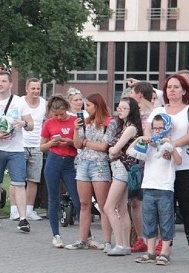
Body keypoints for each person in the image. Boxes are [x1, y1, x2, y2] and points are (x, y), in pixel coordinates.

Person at [150, 73, 189, 265]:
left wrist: (170, 145)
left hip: (187, 166)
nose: (172, 90)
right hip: (164, 167)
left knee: (188, 209)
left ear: (184, 90)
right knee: (166, 210)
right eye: (169, 87)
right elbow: (151, 134)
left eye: (176, 87)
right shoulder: (160, 110)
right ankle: (165, 250)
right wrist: (160, 147)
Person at [0, 69, 35, 233]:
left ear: (10, 84)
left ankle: (23, 219)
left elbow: (31, 125)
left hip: (16, 149)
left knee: (19, 183)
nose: (0, 84)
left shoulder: (19, 102)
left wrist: (22, 124)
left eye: (4, 81)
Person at [64, 93, 113, 250]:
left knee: (103, 204)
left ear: (97, 106)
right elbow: (77, 145)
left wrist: (86, 142)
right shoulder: (85, 122)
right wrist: (76, 130)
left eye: (89, 105)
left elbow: (103, 147)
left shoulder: (109, 123)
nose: (86, 108)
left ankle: (107, 241)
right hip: (83, 163)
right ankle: (83, 239)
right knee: (84, 203)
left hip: (100, 164)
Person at [134, 114, 182, 266]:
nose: (157, 131)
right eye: (155, 128)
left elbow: (179, 162)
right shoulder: (149, 144)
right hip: (148, 186)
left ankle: (165, 252)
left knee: (166, 221)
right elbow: (134, 153)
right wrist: (142, 140)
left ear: (168, 128)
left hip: (165, 188)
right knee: (149, 220)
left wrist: (171, 147)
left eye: (161, 128)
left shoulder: (172, 144)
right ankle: (150, 251)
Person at [102, 97, 142, 256]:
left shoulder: (130, 128)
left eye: (124, 108)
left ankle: (119, 243)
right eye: (119, 107)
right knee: (120, 208)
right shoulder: (122, 126)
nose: (120, 110)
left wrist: (113, 149)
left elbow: (114, 149)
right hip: (118, 166)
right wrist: (113, 150)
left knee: (108, 207)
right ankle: (125, 244)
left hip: (121, 168)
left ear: (131, 111)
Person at [40, 96, 80, 248]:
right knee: (53, 198)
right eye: (56, 114)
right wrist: (51, 143)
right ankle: (56, 235)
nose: (59, 117)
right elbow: (41, 147)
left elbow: (79, 143)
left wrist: (69, 142)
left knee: (77, 198)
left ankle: (85, 234)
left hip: (70, 162)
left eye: (62, 114)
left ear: (67, 109)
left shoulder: (74, 120)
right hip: (54, 160)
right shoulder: (49, 123)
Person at [127, 81, 158, 252]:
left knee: (153, 202)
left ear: (139, 94)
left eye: (132, 92)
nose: (131, 95)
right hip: (137, 163)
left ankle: (158, 239)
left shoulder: (156, 112)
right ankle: (141, 238)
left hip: (153, 162)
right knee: (135, 201)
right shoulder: (135, 114)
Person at [18, 78, 47, 222]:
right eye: (33, 88)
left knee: (33, 179)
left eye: (38, 89)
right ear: (27, 89)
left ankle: (29, 210)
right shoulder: (19, 102)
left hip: (37, 145)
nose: (36, 91)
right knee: (18, 180)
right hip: (20, 144)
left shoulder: (44, 104)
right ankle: (16, 210)